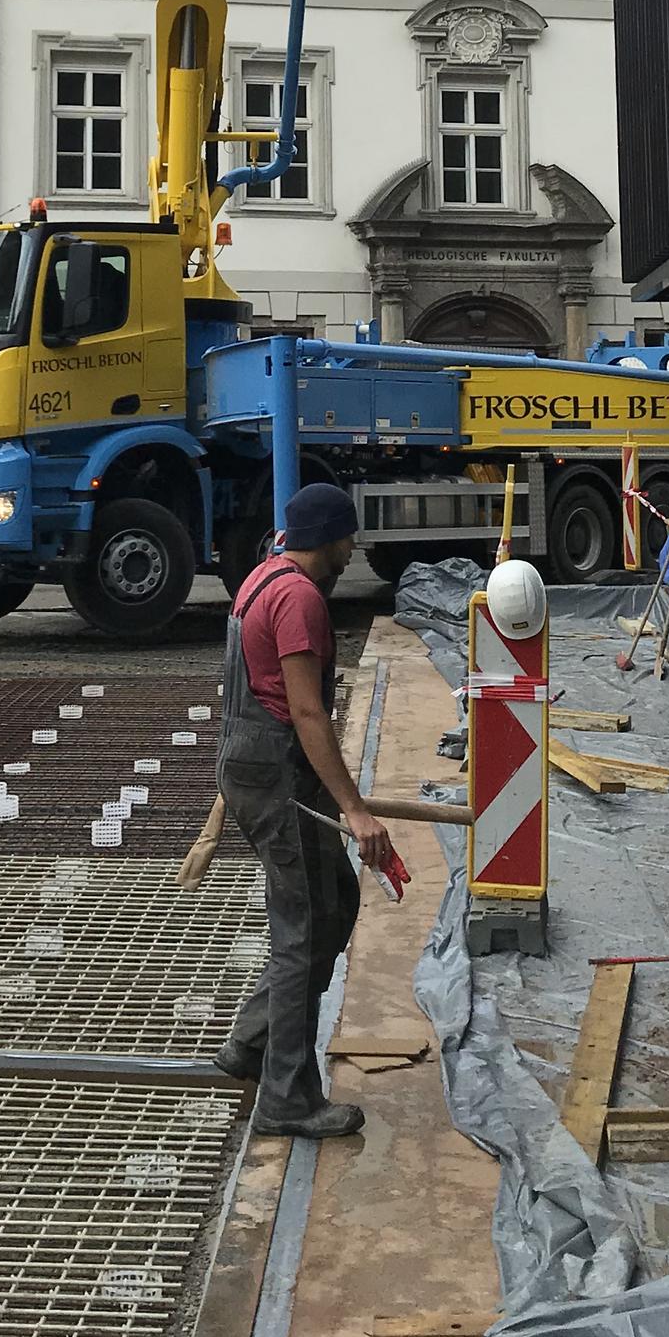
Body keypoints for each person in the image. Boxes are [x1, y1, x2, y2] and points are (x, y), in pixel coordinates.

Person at [214, 482, 392, 1139]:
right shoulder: (300, 600)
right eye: (349, 538)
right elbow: (307, 711)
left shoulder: (262, 578)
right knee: (303, 932)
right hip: (275, 772)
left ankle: (255, 1040)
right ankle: (287, 1097)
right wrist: (355, 808)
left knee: (334, 902)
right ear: (332, 537)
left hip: (254, 763)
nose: (353, 551)